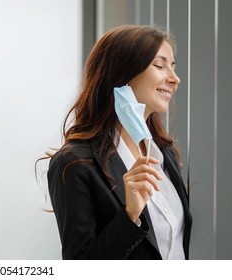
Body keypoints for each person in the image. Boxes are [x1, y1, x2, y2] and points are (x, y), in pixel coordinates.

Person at [47, 25, 192, 259]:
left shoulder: (165, 153)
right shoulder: (74, 163)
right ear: (122, 72)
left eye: (173, 67)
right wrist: (130, 215)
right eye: (159, 65)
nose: (175, 79)